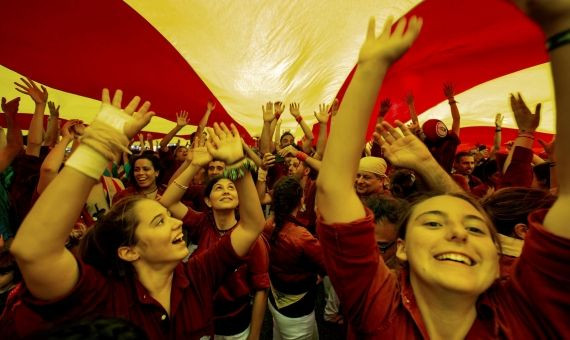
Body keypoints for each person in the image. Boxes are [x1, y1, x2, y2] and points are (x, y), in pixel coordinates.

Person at [316, 6, 570, 339]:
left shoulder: (527, 317)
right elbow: (334, 187)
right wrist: (370, 68)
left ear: (499, 258)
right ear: (401, 248)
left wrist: (562, 24)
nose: (458, 233)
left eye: (478, 230)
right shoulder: (378, 309)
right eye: (433, 222)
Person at [3, 89, 266, 339]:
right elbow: (34, 251)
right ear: (129, 251)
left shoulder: (198, 274)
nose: (177, 223)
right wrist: (97, 146)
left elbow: (251, 226)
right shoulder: (103, 295)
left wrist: (237, 165)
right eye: (159, 221)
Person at [159, 141, 269, 340]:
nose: (226, 190)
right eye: (219, 187)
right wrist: (193, 165)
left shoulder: (251, 238)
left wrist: (254, 335)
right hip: (202, 317)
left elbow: (261, 289)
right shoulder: (203, 223)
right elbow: (168, 201)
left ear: (239, 198)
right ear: (208, 201)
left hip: (236, 324)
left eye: (232, 187)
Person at [263, 176, 326, 339]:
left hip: (276, 298)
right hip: (297, 308)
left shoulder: (268, 224)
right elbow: (327, 264)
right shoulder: (301, 237)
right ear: (301, 199)